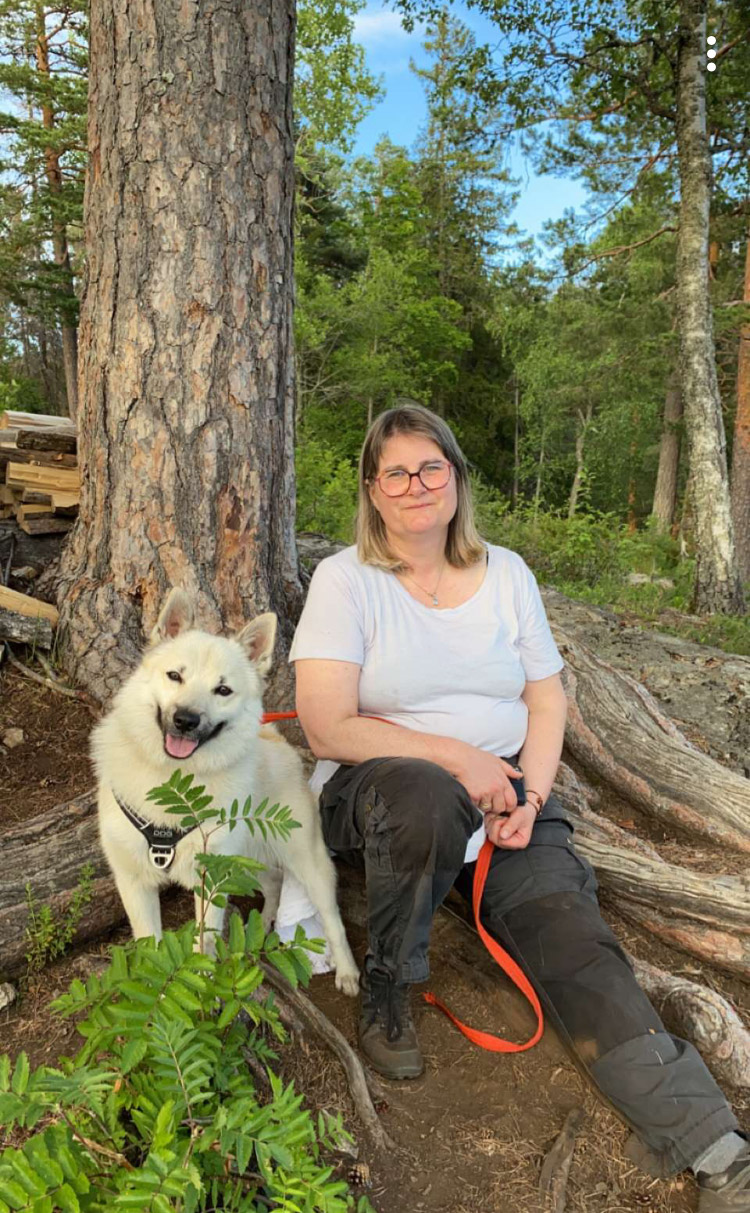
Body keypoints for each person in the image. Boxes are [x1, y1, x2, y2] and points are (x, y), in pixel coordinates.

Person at [289, 402, 749, 1211]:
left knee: (574, 941)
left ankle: (711, 1144)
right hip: (379, 801)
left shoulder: (506, 573)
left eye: (432, 467)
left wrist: (532, 797)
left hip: (505, 807)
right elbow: (327, 724)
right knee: (426, 792)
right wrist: (461, 758)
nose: (416, 485)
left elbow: (546, 699)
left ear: (458, 479)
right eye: (395, 472)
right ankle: (389, 989)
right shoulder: (344, 580)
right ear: (372, 489)